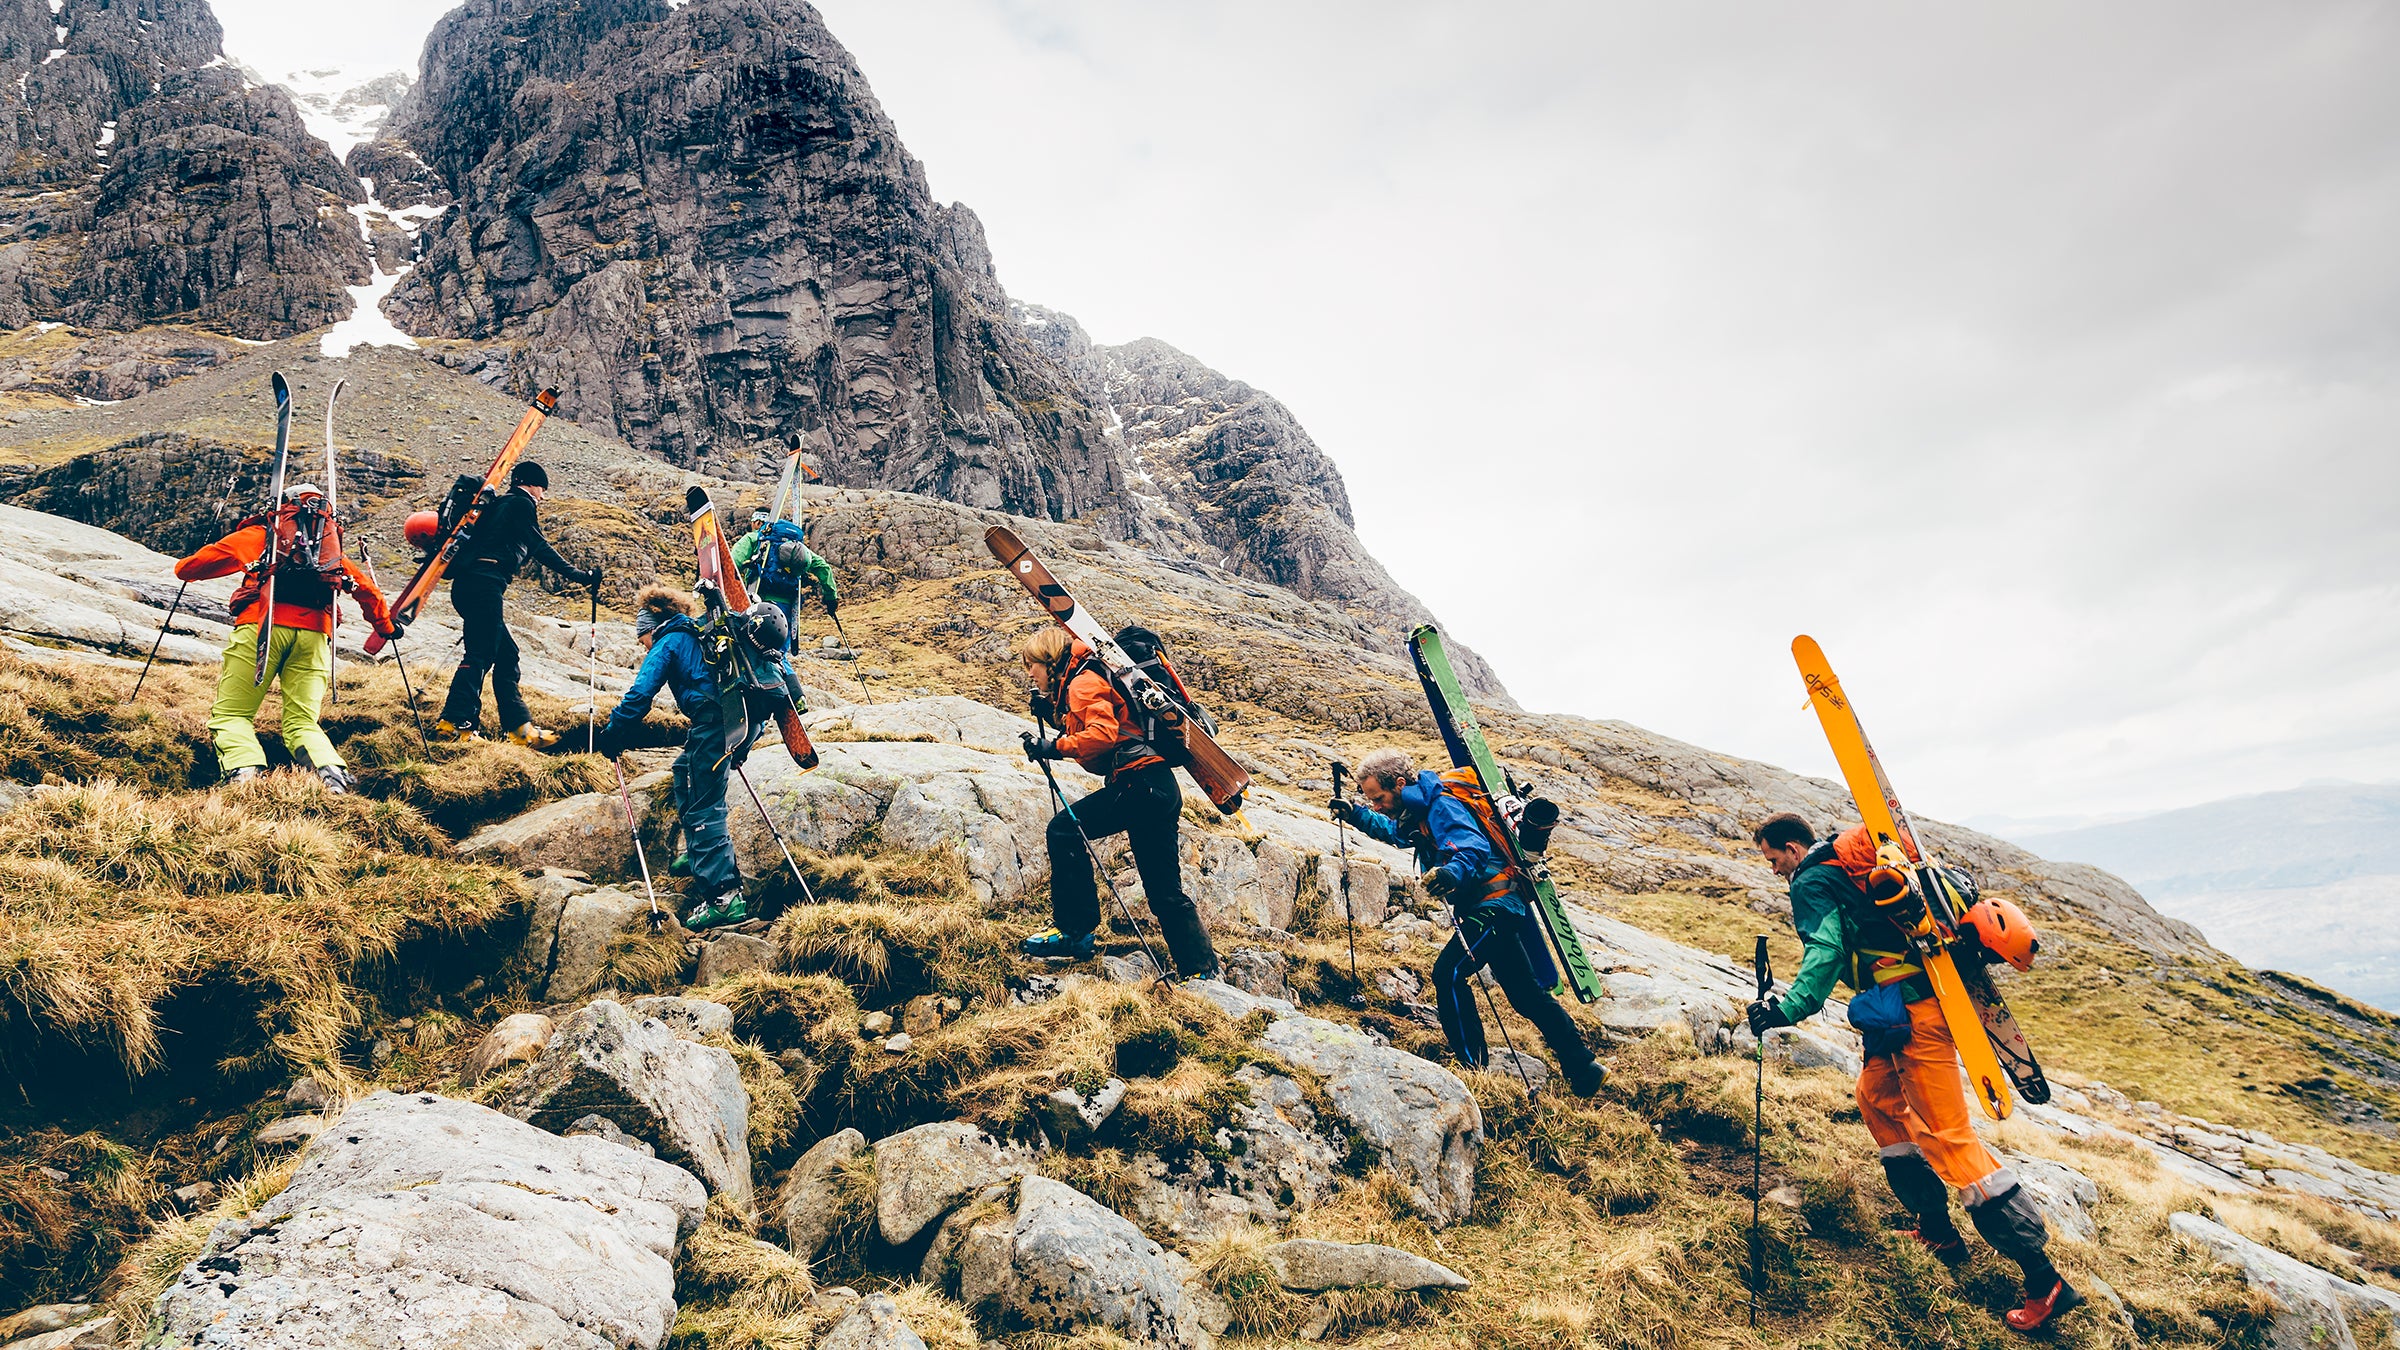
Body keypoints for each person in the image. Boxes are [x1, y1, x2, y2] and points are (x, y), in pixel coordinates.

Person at [1747, 812, 2082, 1333]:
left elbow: (1827, 950)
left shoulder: (1813, 880)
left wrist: (1786, 1008)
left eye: (1772, 859)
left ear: (1792, 847)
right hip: (1894, 1011)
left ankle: (2044, 1280)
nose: (1773, 870)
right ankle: (1937, 1228)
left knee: (1948, 1138)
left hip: (1918, 1014)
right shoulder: (1844, 863)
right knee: (1876, 1099)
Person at [1333, 749, 1606, 1097]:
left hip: (1494, 904)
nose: (1378, 805)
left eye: (1379, 798)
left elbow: (1472, 848)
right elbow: (1397, 834)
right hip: (1494, 905)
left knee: (1448, 973)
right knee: (1525, 996)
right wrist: (1355, 814)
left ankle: (1473, 1069)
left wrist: (1450, 873)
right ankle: (1583, 1066)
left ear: (1399, 784)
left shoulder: (1440, 805)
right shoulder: (1417, 809)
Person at [1016, 626, 1217, 979]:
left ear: (1049, 662)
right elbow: (1106, 724)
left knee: (1064, 830)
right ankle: (1200, 969)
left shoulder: (1082, 681)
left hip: (1138, 784)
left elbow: (1102, 735)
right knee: (1163, 891)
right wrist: (1052, 714)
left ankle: (1073, 931)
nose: (1029, 673)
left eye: (1031, 664)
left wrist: (1053, 747)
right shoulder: (1087, 679)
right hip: (1160, 789)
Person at [175, 482, 398, 792]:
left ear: (284, 503)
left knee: (233, 714)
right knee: (303, 722)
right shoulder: (329, 548)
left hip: (262, 628)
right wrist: (385, 627)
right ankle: (332, 779)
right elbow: (368, 592)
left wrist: (188, 567)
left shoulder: (265, 534)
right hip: (316, 636)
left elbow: (189, 568)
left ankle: (245, 776)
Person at [594, 587, 749, 931]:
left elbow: (639, 695)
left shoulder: (669, 640)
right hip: (733, 722)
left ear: (652, 628)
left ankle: (724, 898)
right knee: (684, 772)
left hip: (713, 724)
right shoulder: (696, 633)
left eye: (641, 636)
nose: (640, 644)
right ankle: (699, 853)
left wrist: (614, 733)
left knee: (703, 807)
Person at [434, 461, 600, 745]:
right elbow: (539, 547)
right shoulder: (521, 504)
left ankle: (519, 729)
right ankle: (455, 723)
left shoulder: (499, 506)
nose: (543, 496)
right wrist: (580, 576)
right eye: (542, 488)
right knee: (480, 654)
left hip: (471, 585)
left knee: (506, 655)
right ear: (531, 484)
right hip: (483, 584)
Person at [731, 506, 837, 652]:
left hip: (758, 602)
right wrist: (831, 598)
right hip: (787, 607)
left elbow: (732, 563)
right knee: (778, 654)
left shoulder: (754, 538)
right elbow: (823, 567)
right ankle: (784, 673)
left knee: (752, 650)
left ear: (756, 522)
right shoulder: (793, 546)